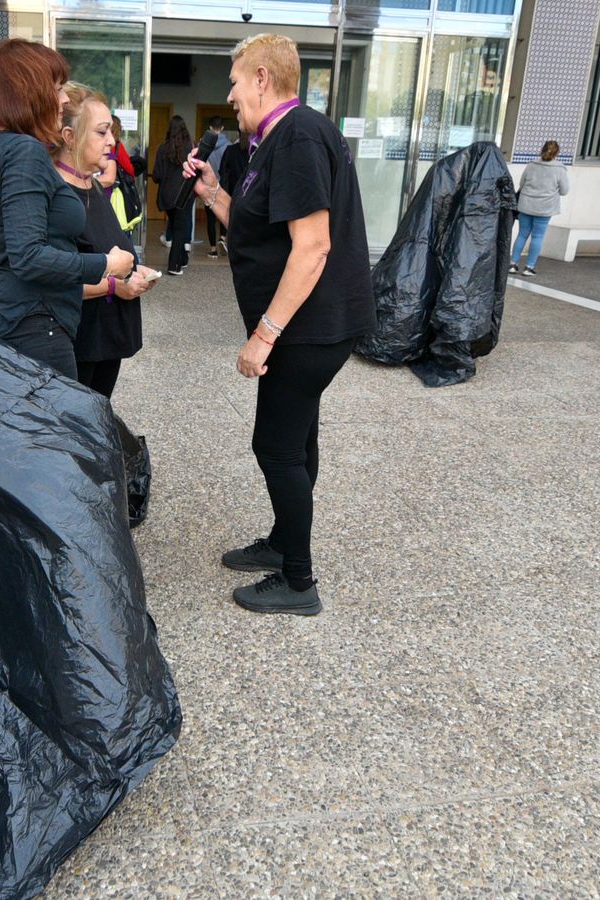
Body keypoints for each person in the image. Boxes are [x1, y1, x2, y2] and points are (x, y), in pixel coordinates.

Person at [184, 32, 375, 616]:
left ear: (263, 78)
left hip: (307, 327)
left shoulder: (295, 136)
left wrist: (264, 333)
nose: (232, 95)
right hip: (312, 324)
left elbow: (312, 246)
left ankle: (298, 580)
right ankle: (283, 541)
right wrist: (215, 195)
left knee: (276, 447)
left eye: (237, 82)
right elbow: (264, 226)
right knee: (298, 439)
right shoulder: (280, 139)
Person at [0, 39, 132, 378]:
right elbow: (28, 256)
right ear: (31, 92)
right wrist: (106, 265)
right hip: (34, 327)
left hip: (3, 318)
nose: (65, 98)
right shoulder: (24, 151)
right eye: (56, 89)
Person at [56, 84, 154, 398]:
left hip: (106, 339)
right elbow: (53, 277)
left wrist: (134, 270)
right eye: (101, 132)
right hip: (80, 342)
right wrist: (116, 286)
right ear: (69, 137)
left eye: (110, 131)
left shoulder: (93, 186)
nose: (112, 141)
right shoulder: (58, 195)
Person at [509, 140, 569, 277]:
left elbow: (522, 184)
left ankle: (513, 264)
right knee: (537, 236)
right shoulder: (559, 169)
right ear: (557, 153)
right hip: (544, 208)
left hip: (525, 205)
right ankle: (529, 267)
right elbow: (564, 191)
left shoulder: (531, 165)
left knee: (522, 234)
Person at [153, 116, 194, 276]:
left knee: (177, 226)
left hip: (166, 195)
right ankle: (174, 265)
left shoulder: (162, 148)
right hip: (184, 194)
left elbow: (156, 175)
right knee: (179, 229)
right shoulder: (190, 149)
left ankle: (182, 259)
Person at [204, 116, 229, 257]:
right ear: (223, 128)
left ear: (210, 128)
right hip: (223, 185)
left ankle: (213, 249)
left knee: (210, 218)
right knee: (224, 212)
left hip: (208, 184)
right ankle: (223, 238)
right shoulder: (229, 145)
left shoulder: (205, 145)